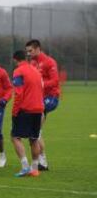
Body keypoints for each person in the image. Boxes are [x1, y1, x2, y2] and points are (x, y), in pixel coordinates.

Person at [25, 39, 60, 171]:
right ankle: (42, 161)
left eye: (30, 51)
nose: (28, 53)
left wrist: (41, 84)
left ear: (38, 48)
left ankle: (42, 161)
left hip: (51, 98)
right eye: (27, 51)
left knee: (36, 128)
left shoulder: (49, 62)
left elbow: (55, 81)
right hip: (38, 98)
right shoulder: (32, 63)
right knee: (36, 131)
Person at [11, 50, 44, 177]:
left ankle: (25, 167)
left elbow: (18, 93)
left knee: (15, 137)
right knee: (34, 139)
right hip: (38, 109)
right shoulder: (36, 71)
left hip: (26, 109)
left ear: (15, 60)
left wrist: (14, 112)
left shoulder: (18, 71)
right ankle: (34, 169)